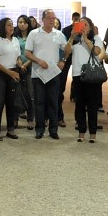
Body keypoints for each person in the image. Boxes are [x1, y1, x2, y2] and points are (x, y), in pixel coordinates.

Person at [25, 9, 69, 140]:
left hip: (53, 73)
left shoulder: (59, 34)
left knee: (53, 102)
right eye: (49, 18)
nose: (52, 20)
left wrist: (63, 60)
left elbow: (67, 51)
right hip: (38, 73)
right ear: (43, 20)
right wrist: (38, 61)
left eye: (53, 18)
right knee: (39, 102)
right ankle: (39, 129)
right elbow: (27, 53)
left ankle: (53, 129)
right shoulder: (34, 33)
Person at [68, 17, 104, 142]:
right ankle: (81, 131)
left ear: (90, 27)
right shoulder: (74, 40)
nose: (83, 27)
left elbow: (96, 52)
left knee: (92, 105)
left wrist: (86, 39)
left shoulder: (96, 39)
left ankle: (93, 132)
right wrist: (72, 37)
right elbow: (66, 53)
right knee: (79, 105)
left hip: (91, 75)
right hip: (78, 75)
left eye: (86, 25)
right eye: (80, 25)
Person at [0, 18, 22, 140]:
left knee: (11, 103)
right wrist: (9, 72)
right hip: (0, 73)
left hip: (13, 72)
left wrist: (19, 63)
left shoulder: (15, 40)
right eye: (9, 25)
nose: (12, 27)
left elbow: (17, 56)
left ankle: (11, 129)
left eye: (12, 25)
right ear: (3, 27)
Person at [15, 14, 35, 129]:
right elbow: (14, 51)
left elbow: (34, 52)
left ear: (28, 24)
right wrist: (19, 63)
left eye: (24, 22)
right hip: (17, 67)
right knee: (17, 93)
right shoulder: (15, 36)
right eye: (20, 22)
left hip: (30, 67)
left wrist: (26, 64)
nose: (22, 24)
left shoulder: (32, 36)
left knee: (31, 94)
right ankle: (15, 118)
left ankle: (30, 118)